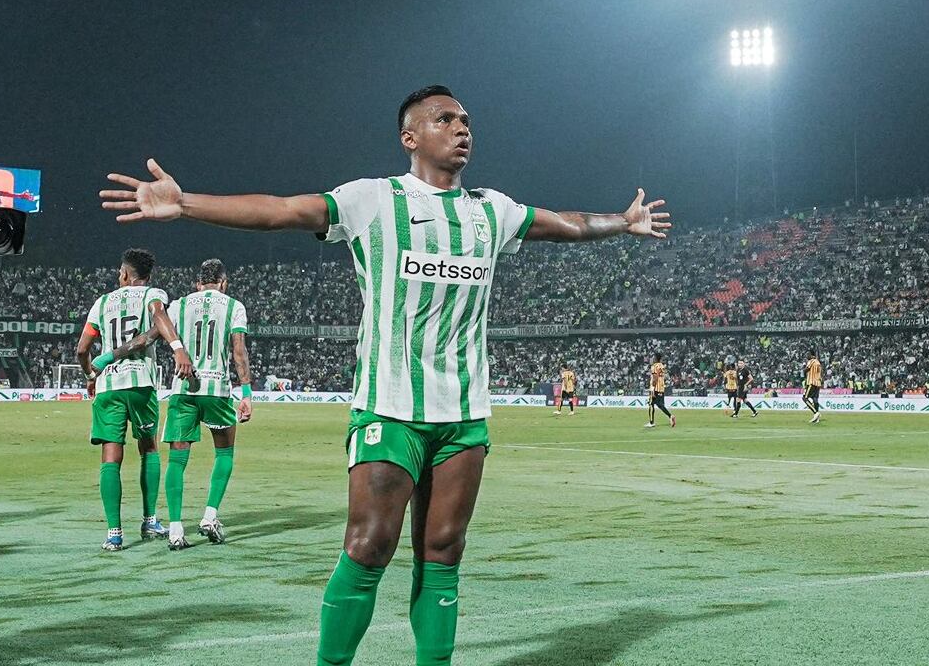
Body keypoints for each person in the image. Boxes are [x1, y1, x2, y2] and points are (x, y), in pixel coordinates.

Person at [100, 84, 671, 666]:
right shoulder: (374, 199)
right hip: (388, 405)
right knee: (370, 544)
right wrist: (186, 202)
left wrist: (622, 223)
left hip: (464, 414)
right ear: (410, 137)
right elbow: (283, 210)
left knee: (444, 549)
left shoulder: (490, 211)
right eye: (444, 120)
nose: (461, 129)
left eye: (466, 121)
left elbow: (567, 224)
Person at [104, 258, 254, 550]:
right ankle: (210, 516)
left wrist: (113, 355)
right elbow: (239, 351)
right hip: (216, 390)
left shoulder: (179, 305)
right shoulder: (234, 306)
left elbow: (149, 337)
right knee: (224, 453)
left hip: (183, 389)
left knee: (177, 460)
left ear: (198, 283)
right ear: (223, 283)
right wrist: (246, 392)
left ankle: (174, 530)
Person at [76, 248, 194, 551]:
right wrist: (178, 347)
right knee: (149, 447)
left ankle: (114, 533)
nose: (118, 275)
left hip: (108, 387)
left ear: (126, 274)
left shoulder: (101, 303)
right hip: (140, 382)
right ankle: (149, 519)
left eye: (120, 272)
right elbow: (158, 315)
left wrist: (91, 374)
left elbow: (81, 349)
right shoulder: (152, 294)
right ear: (147, 276)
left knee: (111, 456)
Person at [644, 352, 675, 429]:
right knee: (660, 405)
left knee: (651, 404)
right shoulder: (661, 365)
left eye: (653, 357)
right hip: (661, 387)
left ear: (655, 358)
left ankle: (651, 422)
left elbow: (655, 378)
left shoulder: (654, 366)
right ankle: (670, 416)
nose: (652, 359)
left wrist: (652, 389)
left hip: (656, 388)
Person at [803, 350, 823, 424]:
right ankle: (816, 418)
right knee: (815, 400)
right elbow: (821, 372)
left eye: (808, 354)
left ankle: (816, 413)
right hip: (818, 383)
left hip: (811, 382)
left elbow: (806, 370)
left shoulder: (811, 361)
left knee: (805, 398)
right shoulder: (818, 362)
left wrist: (803, 370)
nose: (806, 356)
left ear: (812, 355)